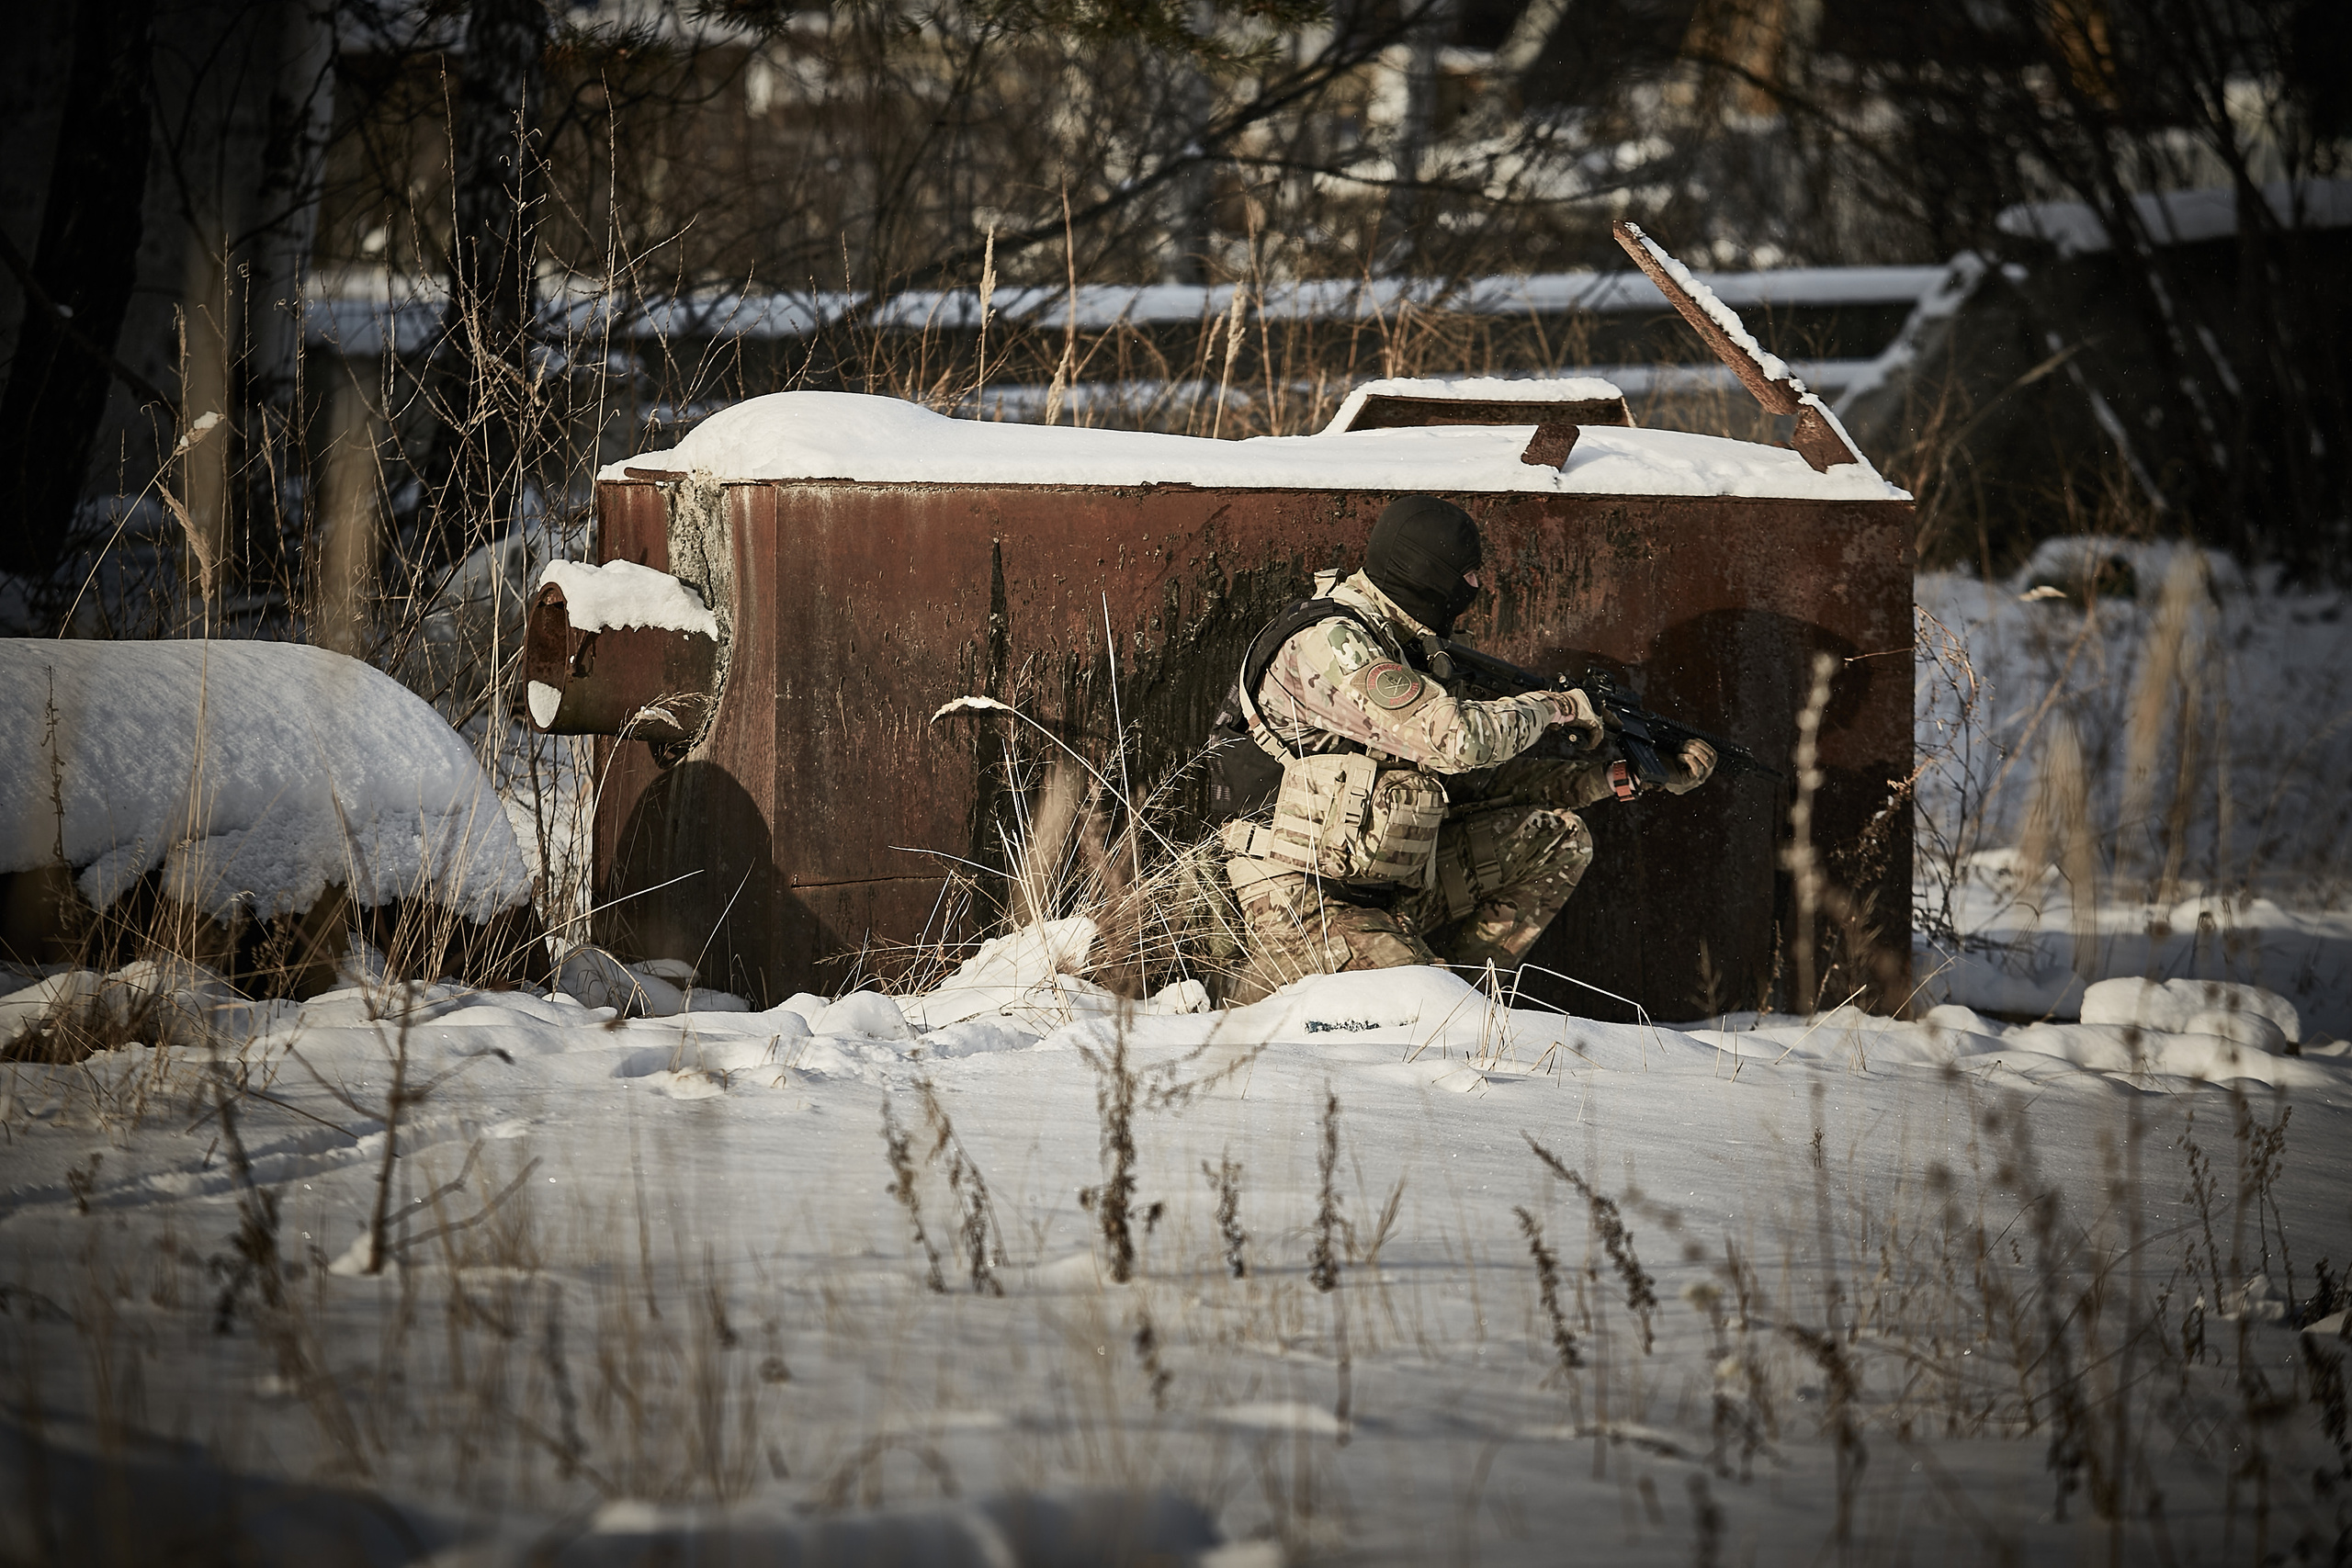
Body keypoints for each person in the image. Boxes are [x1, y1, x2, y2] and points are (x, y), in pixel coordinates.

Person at [1211, 494, 1715, 1003]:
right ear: (1428, 572)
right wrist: (1559, 706)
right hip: (1299, 896)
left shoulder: (1400, 643)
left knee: (1557, 840)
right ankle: (1250, 987)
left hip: (1384, 883)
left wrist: (1612, 778)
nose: (1476, 587)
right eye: (1469, 573)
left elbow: (1471, 784)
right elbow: (1461, 742)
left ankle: (1465, 1000)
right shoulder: (1335, 641)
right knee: (1423, 1014)